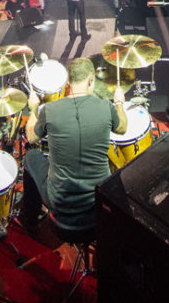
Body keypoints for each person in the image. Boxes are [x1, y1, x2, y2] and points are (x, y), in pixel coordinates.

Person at [22, 58, 127, 229]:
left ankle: (31, 219)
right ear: (91, 80)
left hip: (60, 202)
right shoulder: (106, 107)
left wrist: (33, 108)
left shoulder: (50, 109)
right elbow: (122, 128)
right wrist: (119, 103)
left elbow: (31, 137)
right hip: (98, 199)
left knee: (31, 156)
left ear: (68, 81)